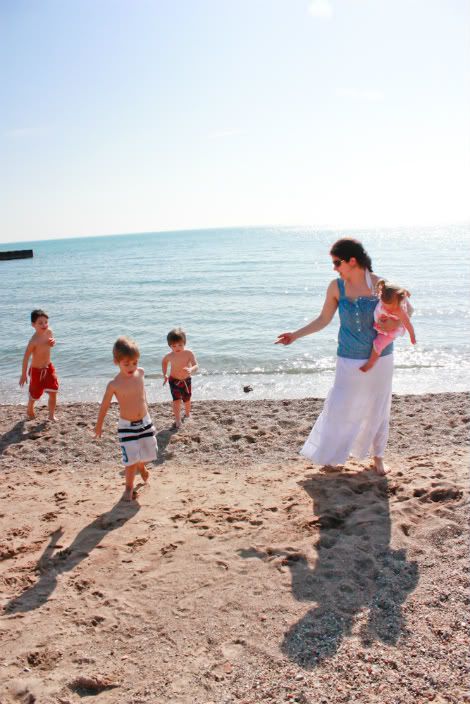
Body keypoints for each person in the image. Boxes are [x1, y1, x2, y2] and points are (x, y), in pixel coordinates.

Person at [276, 238, 404, 475]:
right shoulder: (336, 287)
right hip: (348, 357)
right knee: (340, 404)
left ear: (352, 261)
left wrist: (394, 321)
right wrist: (295, 335)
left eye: (337, 263)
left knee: (379, 404)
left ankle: (378, 457)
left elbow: (406, 311)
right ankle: (333, 455)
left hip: (381, 357)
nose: (334, 268)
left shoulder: (381, 285)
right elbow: (323, 319)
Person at [95, 337, 157, 501]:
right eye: (127, 364)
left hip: (144, 421)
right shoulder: (114, 384)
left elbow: (142, 394)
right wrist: (99, 425)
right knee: (130, 459)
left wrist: (146, 407)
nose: (132, 367)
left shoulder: (141, 373)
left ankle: (142, 467)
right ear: (117, 361)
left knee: (147, 453)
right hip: (126, 426)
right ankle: (129, 488)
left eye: (135, 363)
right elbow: (104, 406)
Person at [360, 280, 416, 372]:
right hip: (383, 317)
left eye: (391, 307)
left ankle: (370, 363)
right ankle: (404, 292)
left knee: (378, 344)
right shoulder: (384, 297)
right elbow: (385, 287)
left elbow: (407, 323)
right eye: (385, 306)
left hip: (391, 330)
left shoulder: (399, 310)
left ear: (398, 303)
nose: (388, 309)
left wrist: (412, 336)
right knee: (396, 293)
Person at [19, 309, 59, 421]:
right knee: (35, 394)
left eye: (46, 322)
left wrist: (52, 343)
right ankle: (30, 408)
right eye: (40, 323)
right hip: (36, 371)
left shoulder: (49, 332)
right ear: (33, 325)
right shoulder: (33, 341)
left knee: (53, 391)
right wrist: (23, 375)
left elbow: (50, 344)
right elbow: (26, 358)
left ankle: (51, 415)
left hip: (48, 368)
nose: (44, 325)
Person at [162, 328, 198, 429]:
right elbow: (164, 362)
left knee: (187, 399)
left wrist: (191, 369)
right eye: (174, 346)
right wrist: (165, 374)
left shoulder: (188, 353)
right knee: (176, 400)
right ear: (169, 345)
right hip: (174, 380)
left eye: (180, 345)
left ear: (184, 343)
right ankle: (177, 420)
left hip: (186, 380)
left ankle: (187, 414)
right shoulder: (169, 355)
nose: (177, 347)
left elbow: (196, 365)